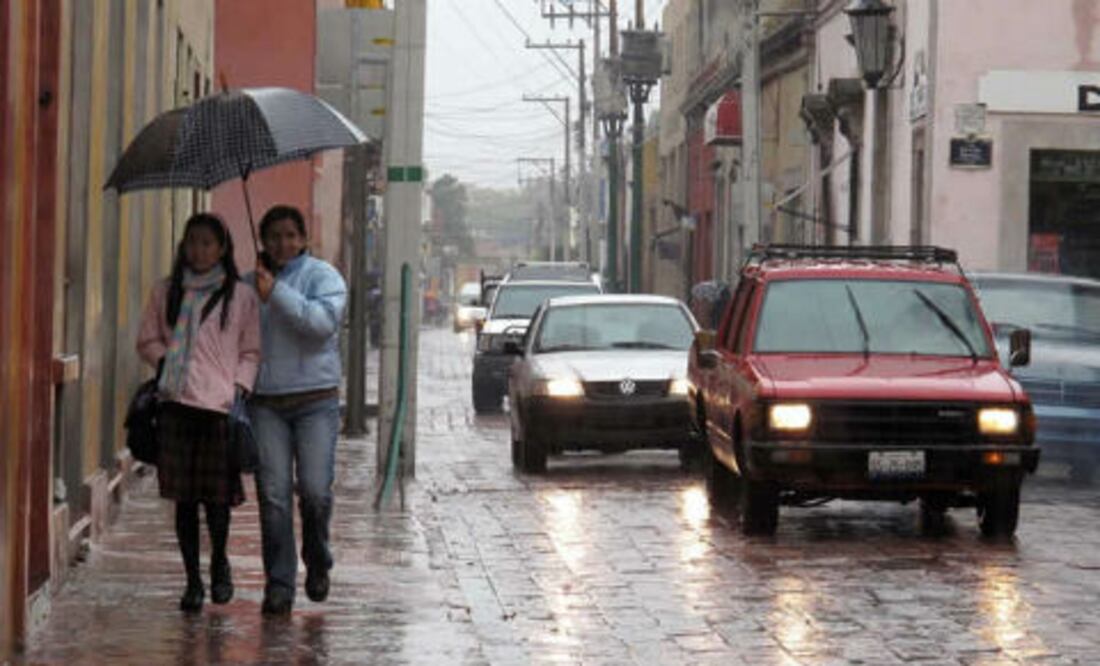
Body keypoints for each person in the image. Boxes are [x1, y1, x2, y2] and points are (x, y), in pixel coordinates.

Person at [137, 212, 261, 613]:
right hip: (176, 404)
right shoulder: (166, 291)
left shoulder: (239, 295)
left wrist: (239, 386)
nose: (199, 250)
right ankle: (192, 580)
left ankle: (220, 562)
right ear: (183, 246)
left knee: (218, 501)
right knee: (185, 501)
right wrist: (166, 363)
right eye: (192, 242)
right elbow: (147, 339)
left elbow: (251, 350)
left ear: (223, 248)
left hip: (219, 408)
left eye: (208, 243)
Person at [249, 204, 348, 615]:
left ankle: (318, 558)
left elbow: (320, 324)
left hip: (315, 401)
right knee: (273, 496)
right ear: (263, 241)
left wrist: (276, 293)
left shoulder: (323, 277)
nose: (283, 243)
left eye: (291, 235)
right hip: (265, 403)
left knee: (314, 491)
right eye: (274, 236)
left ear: (304, 239)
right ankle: (279, 583)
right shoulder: (248, 284)